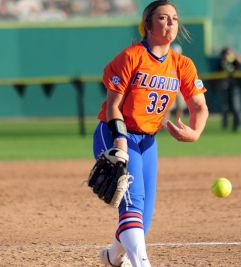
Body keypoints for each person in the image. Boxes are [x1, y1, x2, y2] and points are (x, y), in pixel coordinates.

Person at [92, 1, 209, 266]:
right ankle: (142, 263)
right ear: (147, 24)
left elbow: (200, 106)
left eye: (175, 18)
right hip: (115, 133)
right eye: (163, 17)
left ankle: (112, 256)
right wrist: (120, 142)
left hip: (147, 142)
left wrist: (196, 132)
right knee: (133, 203)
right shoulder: (131, 57)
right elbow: (113, 106)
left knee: (143, 216)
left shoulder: (182, 64)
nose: (170, 22)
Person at [219, 46, 241, 132]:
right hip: (225, 87)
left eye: (229, 53)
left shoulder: (234, 61)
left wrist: (234, 56)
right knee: (225, 107)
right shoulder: (222, 62)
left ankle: (237, 125)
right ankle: (225, 125)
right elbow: (219, 70)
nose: (228, 55)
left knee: (236, 107)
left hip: (234, 87)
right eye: (227, 53)